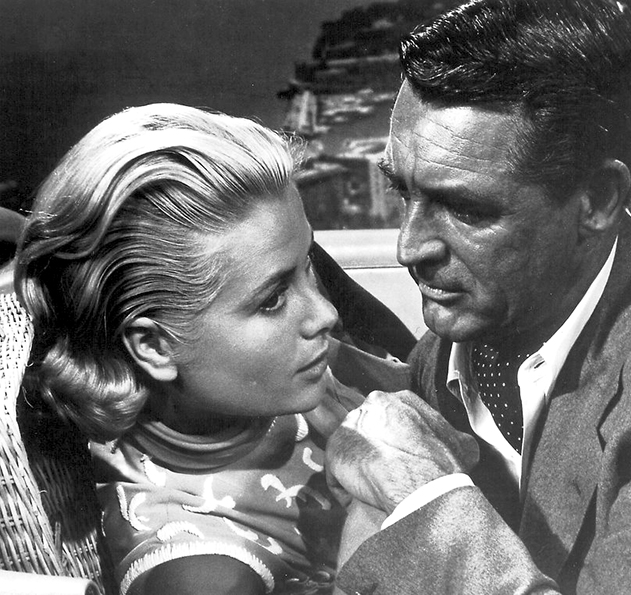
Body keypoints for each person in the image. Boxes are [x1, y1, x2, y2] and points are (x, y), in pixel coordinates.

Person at [324, 0, 631, 593]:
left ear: (599, 199)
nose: (409, 247)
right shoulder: (459, 336)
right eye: (403, 192)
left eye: (467, 210)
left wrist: (422, 497)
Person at [13, 103, 409, 595]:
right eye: (273, 300)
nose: (325, 314)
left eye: (307, 266)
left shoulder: (266, 285)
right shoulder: (205, 573)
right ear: (155, 346)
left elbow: (408, 359)